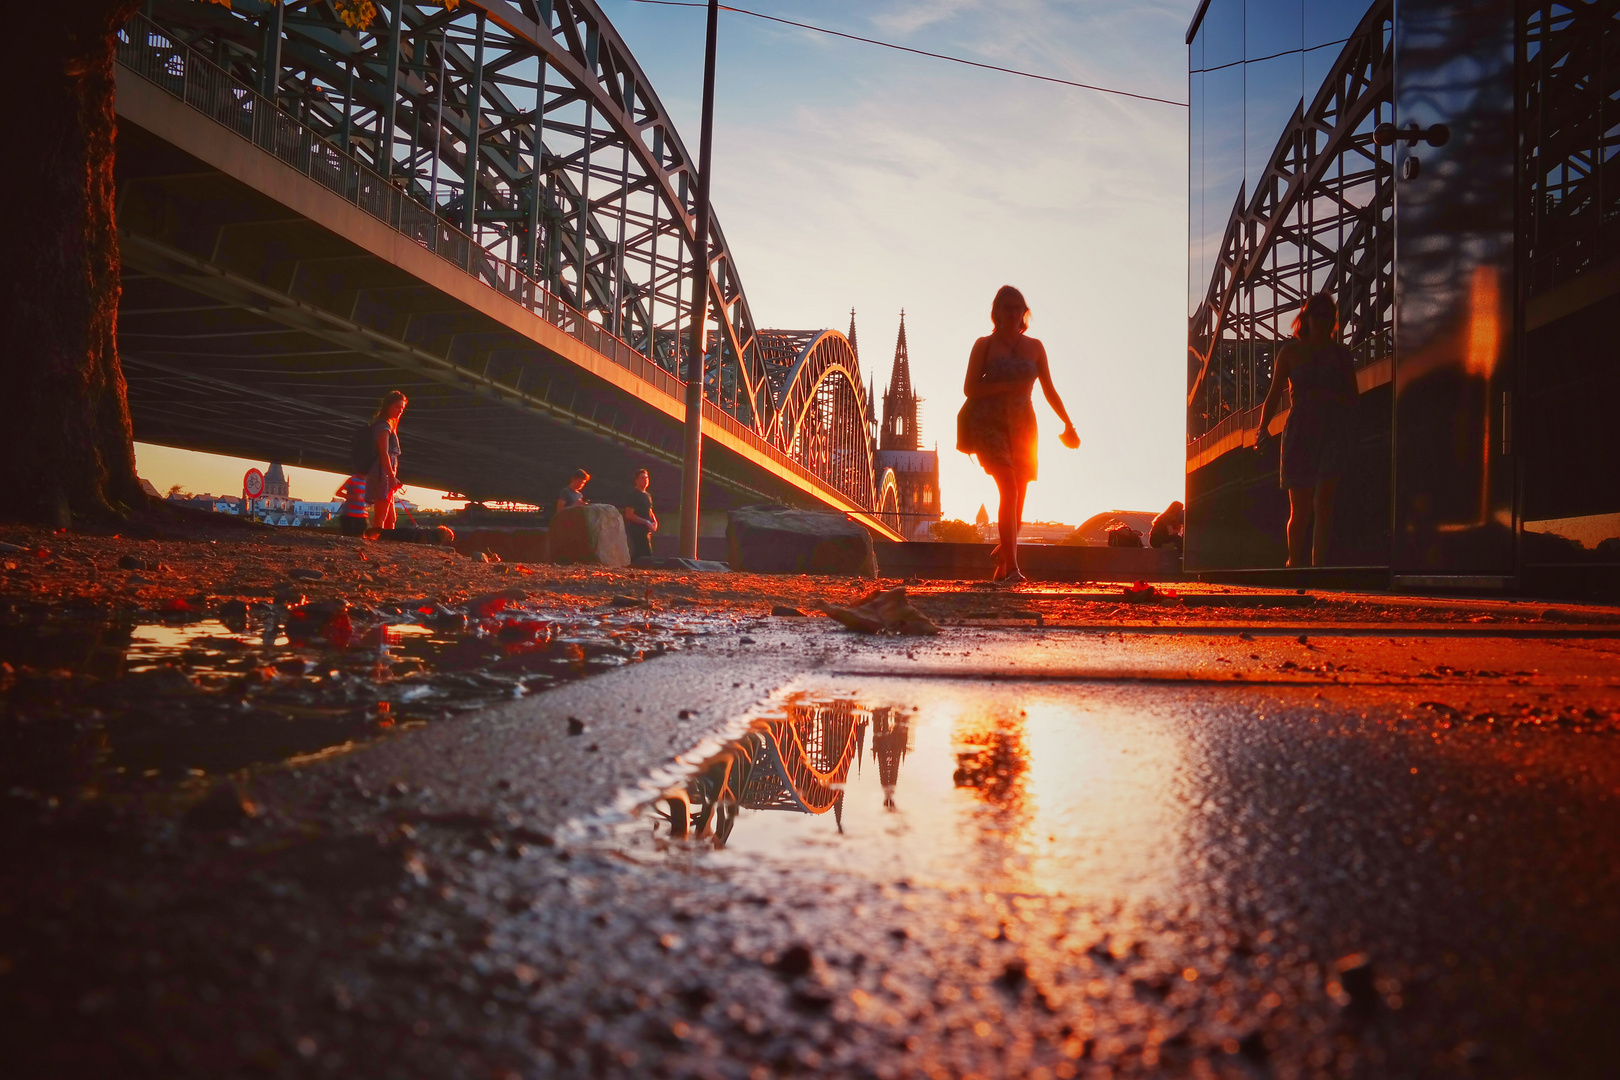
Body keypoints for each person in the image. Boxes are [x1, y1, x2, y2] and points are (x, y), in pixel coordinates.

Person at [958, 286, 1079, 584]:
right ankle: (1013, 568)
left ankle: (1003, 562)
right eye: (1006, 307)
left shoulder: (1035, 347)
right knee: (1009, 487)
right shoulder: (983, 345)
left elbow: (1049, 389)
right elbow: (969, 389)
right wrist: (1002, 388)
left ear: (1024, 312)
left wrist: (1068, 423)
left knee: (1019, 501)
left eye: (1017, 307)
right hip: (989, 424)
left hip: (1024, 427)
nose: (1012, 313)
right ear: (996, 312)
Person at [1255, 292, 1358, 567]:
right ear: (1306, 318)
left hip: (1332, 432)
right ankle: (1295, 564)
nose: (1323, 322)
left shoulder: (1341, 355)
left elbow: (1353, 397)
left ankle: (1318, 569)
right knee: (1299, 510)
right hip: (1300, 432)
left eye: (1328, 317)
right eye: (1318, 316)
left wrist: (1332, 400)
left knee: (1323, 504)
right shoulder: (1290, 352)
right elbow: (1274, 393)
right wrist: (1262, 428)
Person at [366, 390, 408, 531]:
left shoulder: (388, 425)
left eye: (402, 408)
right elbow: (383, 452)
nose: (399, 411)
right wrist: (390, 477)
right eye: (397, 407)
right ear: (388, 406)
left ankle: (386, 545)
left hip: (385, 474)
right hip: (381, 475)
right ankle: (375, 544)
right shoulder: (383, 426)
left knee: (391, 518)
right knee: (381, 517)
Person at [622, 468, 658, 561]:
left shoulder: (647, 495)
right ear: (636, 480)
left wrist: (654, 522)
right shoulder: (633, 494)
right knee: (644, 555)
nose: (645, 480)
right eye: (642, 478)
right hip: (636, 530)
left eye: (646, 478)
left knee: (643, 555)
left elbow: (650, 510)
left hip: (646, 531)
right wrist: (645, 522)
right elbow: (629, 514)